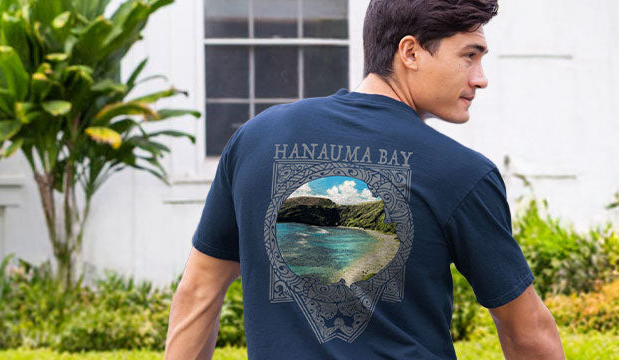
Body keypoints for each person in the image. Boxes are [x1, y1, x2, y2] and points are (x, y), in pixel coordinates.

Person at [162, 0, 563, 358]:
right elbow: (527, 332)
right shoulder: (460, 171)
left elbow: (199, 294)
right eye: (469, 56)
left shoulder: (257, 138)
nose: (480, 78)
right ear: (411, 52)